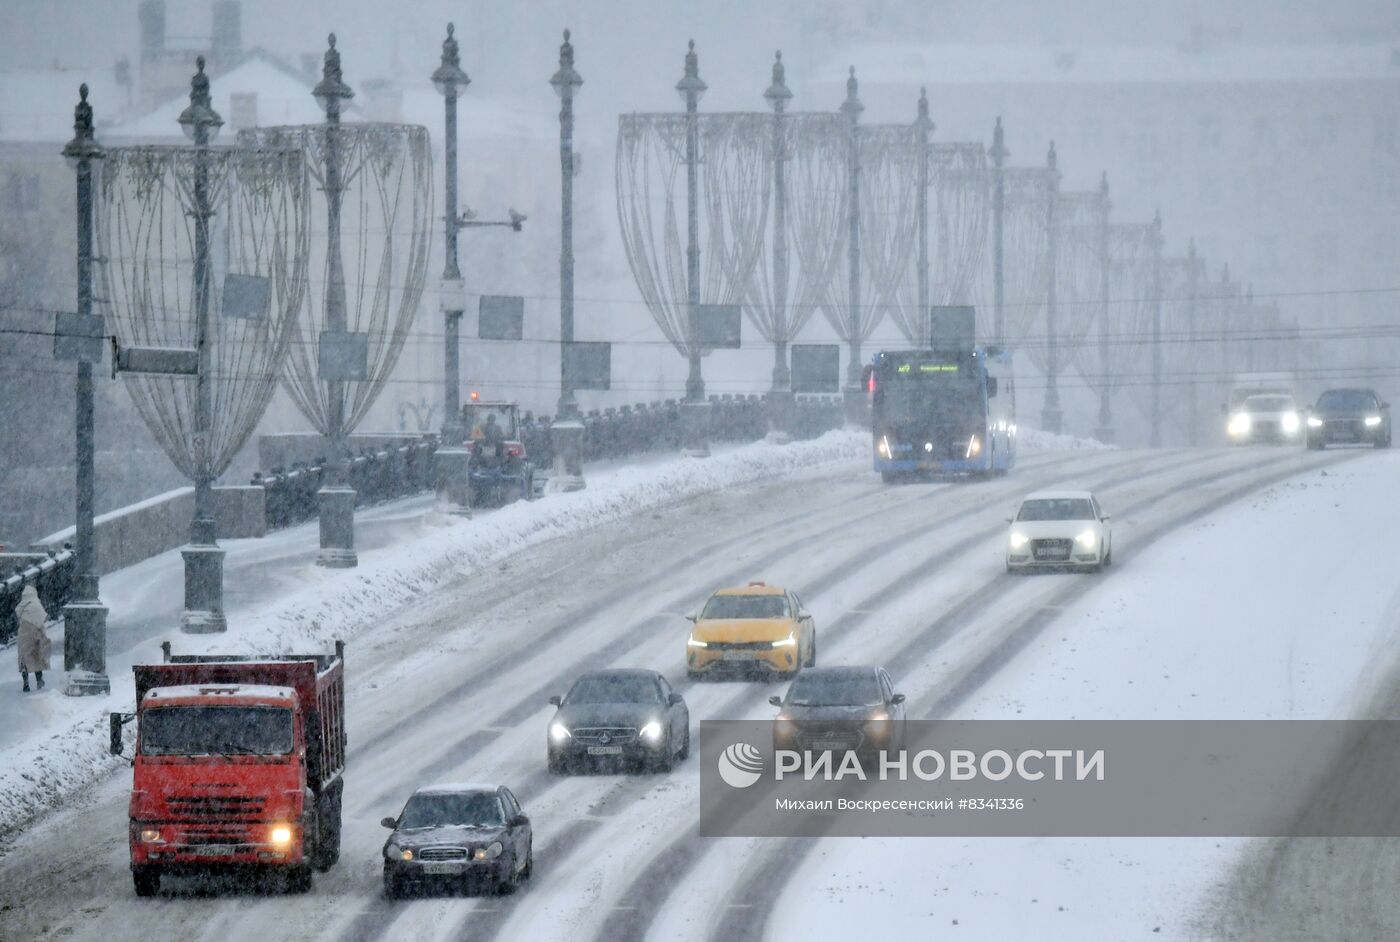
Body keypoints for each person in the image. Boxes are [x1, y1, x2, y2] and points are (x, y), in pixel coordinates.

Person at [16, 584, 52, 692]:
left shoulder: (20, 607)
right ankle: (39, 681)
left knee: (24, 658)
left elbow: (19, 619)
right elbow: (43, 620)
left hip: (23, 635)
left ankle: (25, 683)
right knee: (37, 657)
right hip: (35, 634)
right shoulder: (37, 605)